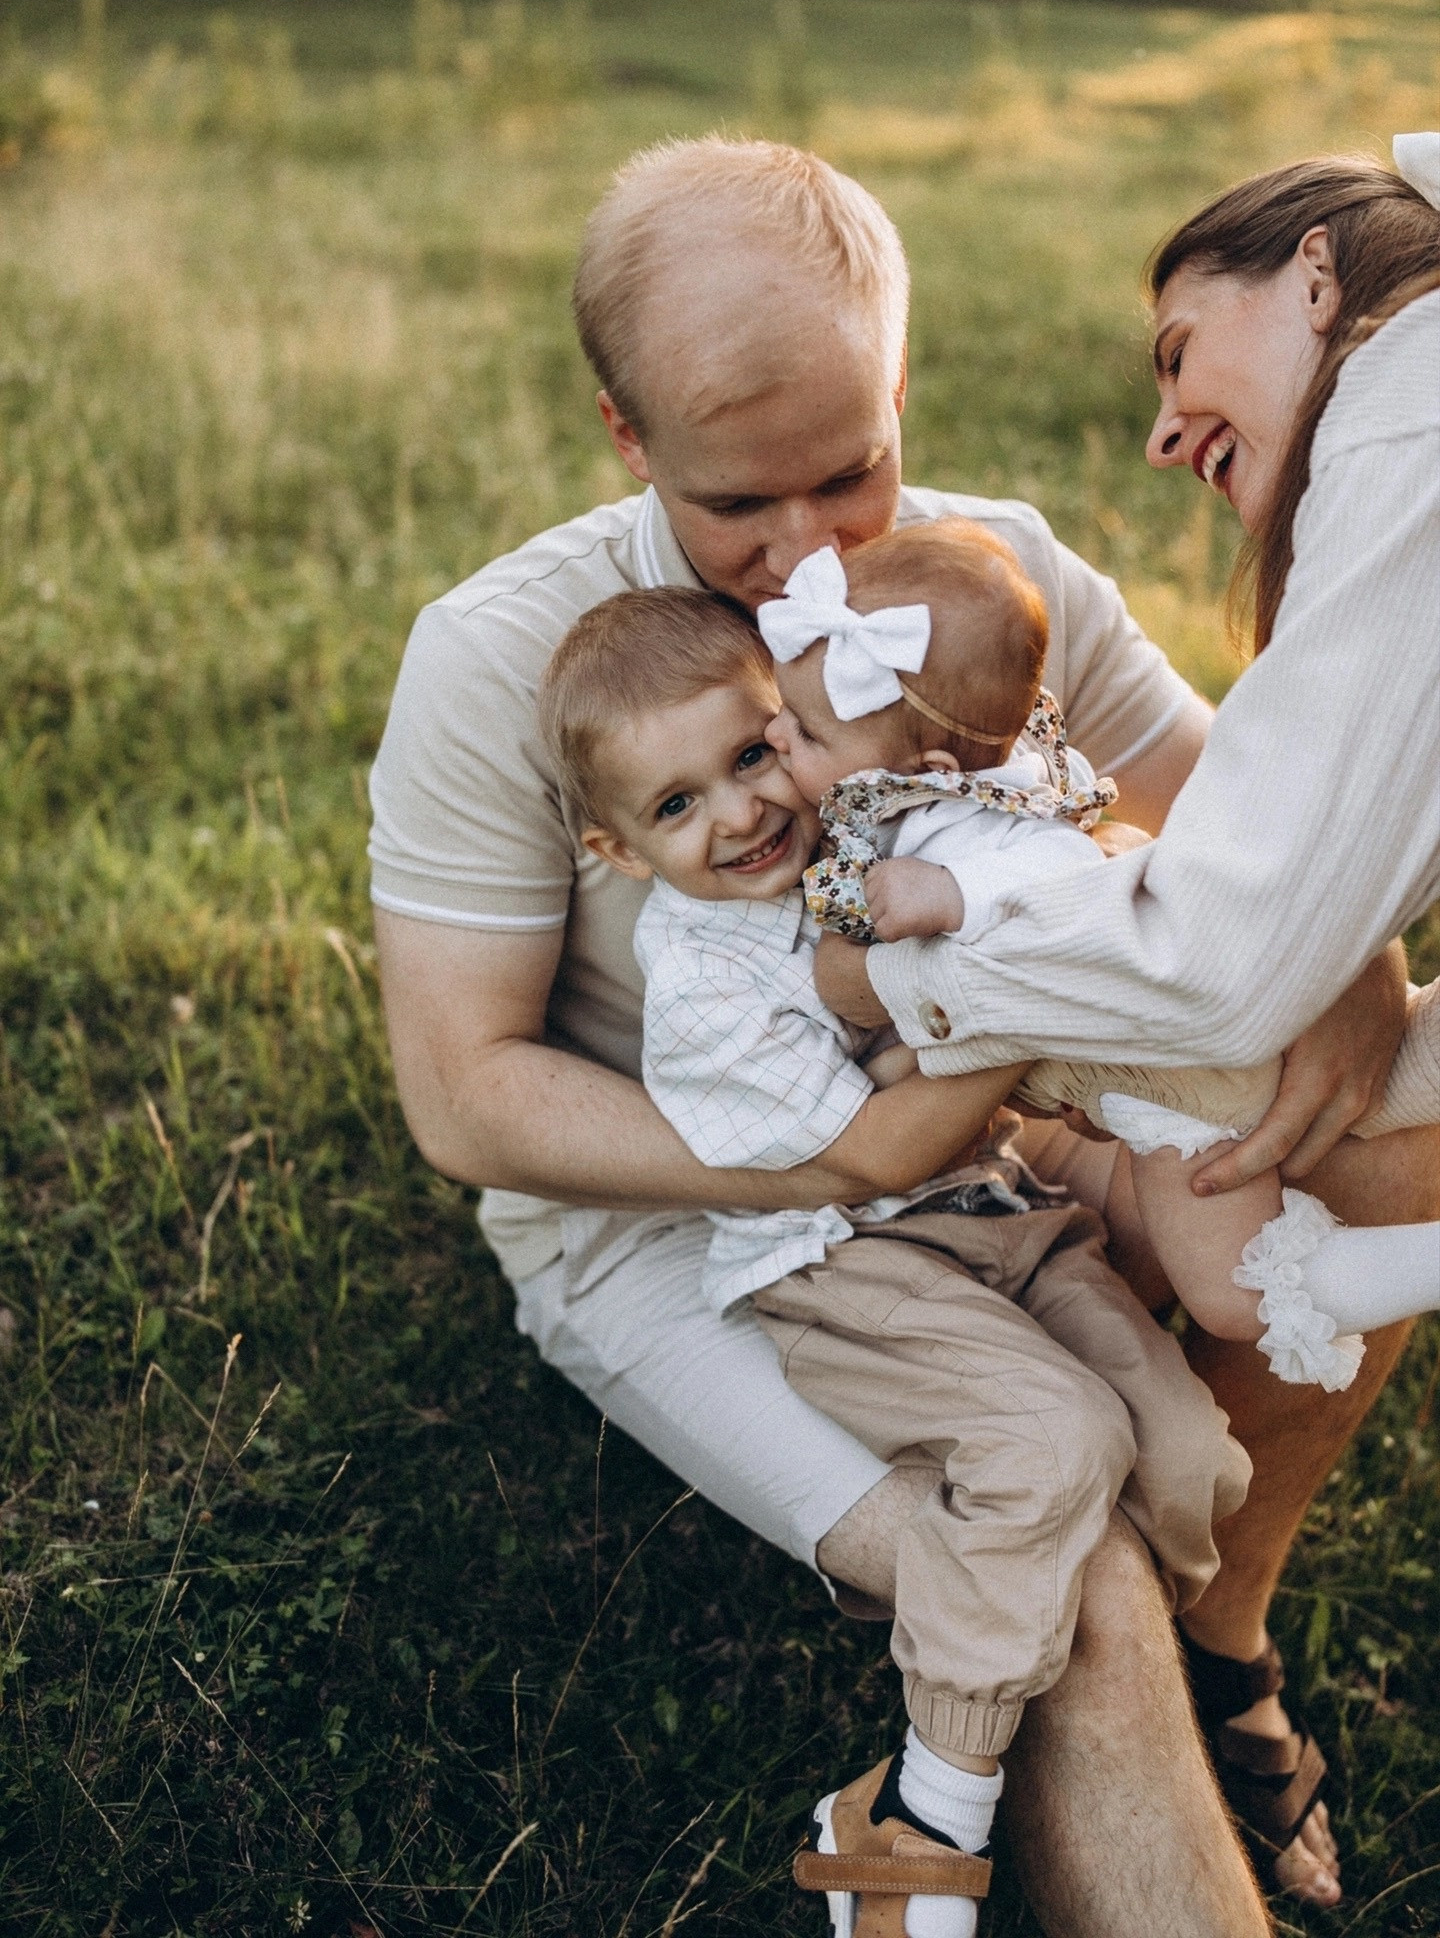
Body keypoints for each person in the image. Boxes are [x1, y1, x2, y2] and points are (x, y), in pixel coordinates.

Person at [366, 137, 1419, 1922]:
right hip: (695, 1231)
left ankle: (1226, 1626)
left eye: (851, 476)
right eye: (737, 507)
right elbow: (469, 1098)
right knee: (1055, 1539)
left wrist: (1361, 978)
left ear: (901, 386)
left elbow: (1243, 817)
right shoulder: (500, 660)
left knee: (1385, 1123)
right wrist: (837, 1157)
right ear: (628, 438)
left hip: (1000, 1156)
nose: (802, 560)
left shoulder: (985, 578)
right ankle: (951, 1809)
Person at [812, 140, 1440, 1902]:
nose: (1161, 433)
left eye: (1179, 349)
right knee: (1319, 1108)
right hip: (926, 1201)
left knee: (1338, 1098)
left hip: (1053, 1088)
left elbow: (1227, 948)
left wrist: (900, 984)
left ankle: (1218, 1619)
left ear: (1320, 275)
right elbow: (1289, 825)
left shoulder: (1417, 393)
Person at [536, 581, 1250, 1937]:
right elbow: (868, 1151)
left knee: (1187, 1453)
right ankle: (924, 1809)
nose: (740, 813)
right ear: (617, 850)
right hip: (840, 1256)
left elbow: (1029, 870)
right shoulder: (699, 978)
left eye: (751, 756)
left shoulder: (849, 838)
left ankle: (1110, 1646)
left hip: (993, 1208)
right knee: (1058, 1442)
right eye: (677, 807)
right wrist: (1013, 995)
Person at [756, 520, 1440, 1391]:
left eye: (807, 733)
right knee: (1389, 1079)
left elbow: (1066, 877)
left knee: (1241, 1295)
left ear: (926, 766)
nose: (780, 737)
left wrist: (954, 900)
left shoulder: (958, 828)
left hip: (1172, 1080)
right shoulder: (957, 790)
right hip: (1198, 1030)